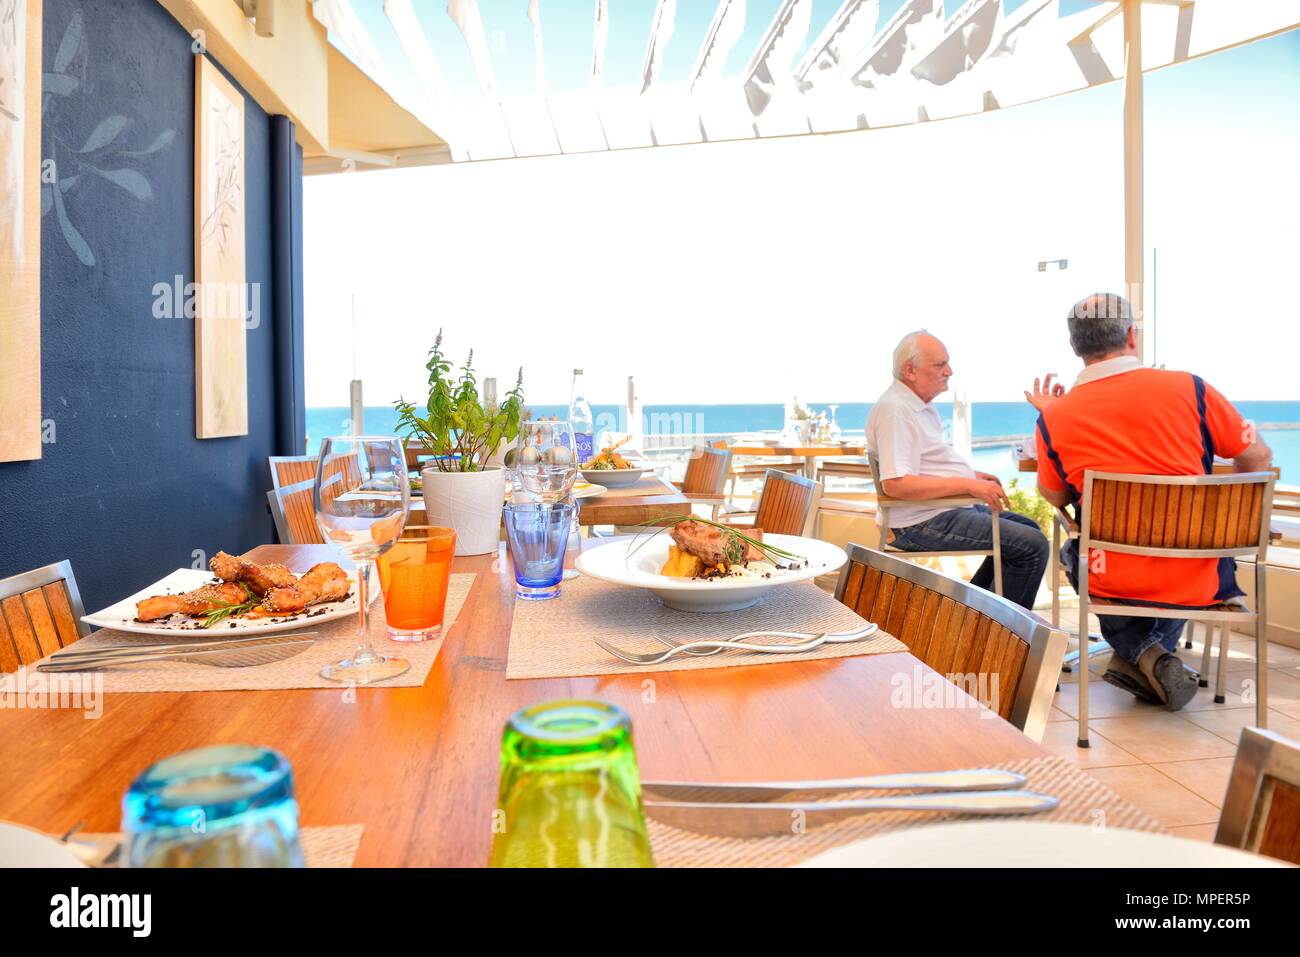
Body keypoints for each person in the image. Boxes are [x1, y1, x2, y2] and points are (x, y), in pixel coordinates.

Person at [1029, 293, 1273, 711]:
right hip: (1199, 573)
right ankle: (1152, 658)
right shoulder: (1191, 388)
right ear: (1131, 336)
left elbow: (1055, 497)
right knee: (1178, 549)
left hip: (1113, 576)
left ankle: (1142, 657)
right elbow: (1257, 458)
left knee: (1078, 550)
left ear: (1074, 347)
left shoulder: (1055, 416)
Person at [867, 330, 1050, 610]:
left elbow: (924, 466)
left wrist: (972, 477)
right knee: (1031, 546)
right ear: (910, 370)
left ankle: (972, 616)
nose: (949, 371)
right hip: (919, 521)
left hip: (938, 510)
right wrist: (968, 486)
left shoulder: (915, 406)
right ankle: (1001, 639)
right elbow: (896, 484)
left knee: (1027, 529)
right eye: (939, 365)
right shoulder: (896, 411)